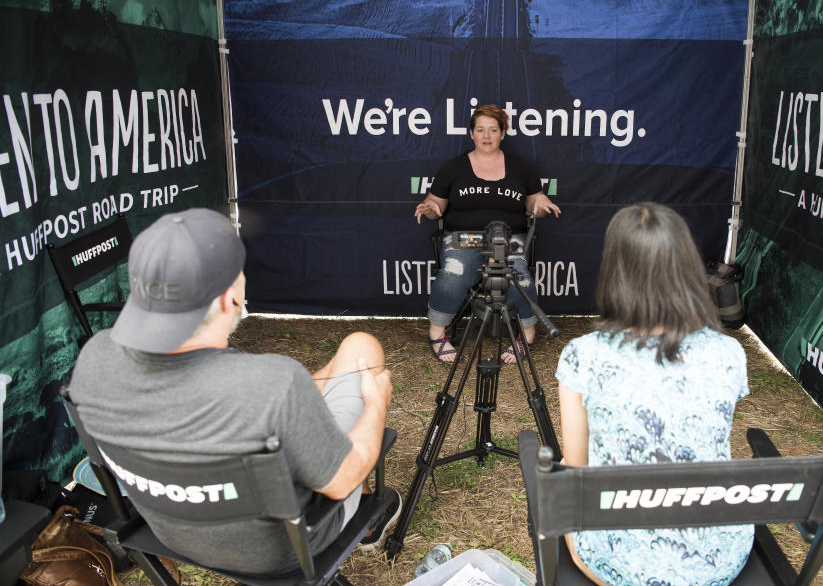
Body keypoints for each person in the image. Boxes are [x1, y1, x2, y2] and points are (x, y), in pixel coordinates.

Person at [68, 208, 400, 575]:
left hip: (170, 532)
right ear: (230, 298)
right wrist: (376, 404)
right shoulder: (271, 384)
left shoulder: (93, 358)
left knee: (316, 382)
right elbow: (341, 482)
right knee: (360, 347)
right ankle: (368, 519)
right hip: (281, 551)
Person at [555, 203, 754, 586]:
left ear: (615, 270)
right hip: (718, 561)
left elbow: (576, 468)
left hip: (621, 566)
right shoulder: (728, 353)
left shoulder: (583, 355)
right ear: (687, 267)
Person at [414, 103, 561, 364]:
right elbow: (436, 204)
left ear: (503, 133)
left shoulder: (521, 168)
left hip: (507, 238)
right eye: (480, 129)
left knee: (518, 274)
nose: (486, 136)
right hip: (464, 237)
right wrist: (430, 208)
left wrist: (540, 204)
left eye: (493, 129)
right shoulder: (454, 168)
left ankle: (526, 334)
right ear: (471, 133)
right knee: (455, 270)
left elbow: (534, 201)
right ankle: (437, 333)